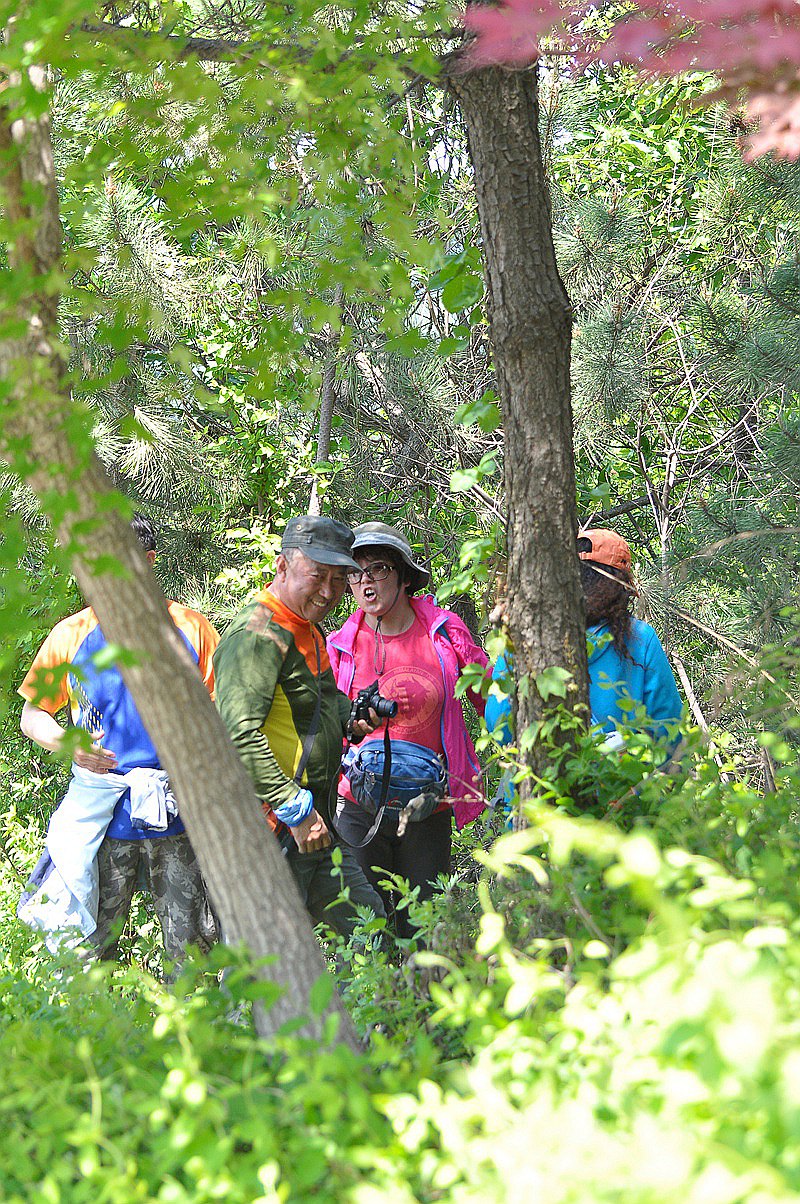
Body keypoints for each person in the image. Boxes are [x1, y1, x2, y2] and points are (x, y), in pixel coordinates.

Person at [18, 513, 219, 973]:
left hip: (177, 813)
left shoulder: (192, 629)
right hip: (102, 814)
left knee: (190, 957)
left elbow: (220, 718)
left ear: (148, 562)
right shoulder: (71, 634)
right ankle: (91, 1038)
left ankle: (188, 1039)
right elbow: (33, 714)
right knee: (86, 952)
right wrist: (70, 742)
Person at [213, 514, 385, 940]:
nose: (328, 592)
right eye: (317, 575)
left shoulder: (306, 628)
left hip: (315, 825)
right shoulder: (258, 634)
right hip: (274, 829)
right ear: (283, 567)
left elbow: (320, 704)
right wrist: (295, 809)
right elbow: (238, 733)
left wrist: (353, 718)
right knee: (266, 968)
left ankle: (361, 1010)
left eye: (339, 578)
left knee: (369, 929)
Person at [328, 521, 489, 938]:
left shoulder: (442, 631)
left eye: (377, 568)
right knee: (367, 935)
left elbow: (490, 696)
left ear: (402, 576)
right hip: (359, 808)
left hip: (427, 809)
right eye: (355, 572)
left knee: (426, 935)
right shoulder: (340, 644)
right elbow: (324, 724)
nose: (365, 582)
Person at [486, 527, 682, 754]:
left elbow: (497, 724)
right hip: (620, 785)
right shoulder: (640, 639)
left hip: (537, 784)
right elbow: (669, 734)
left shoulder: (527, 635)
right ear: (621, 585)